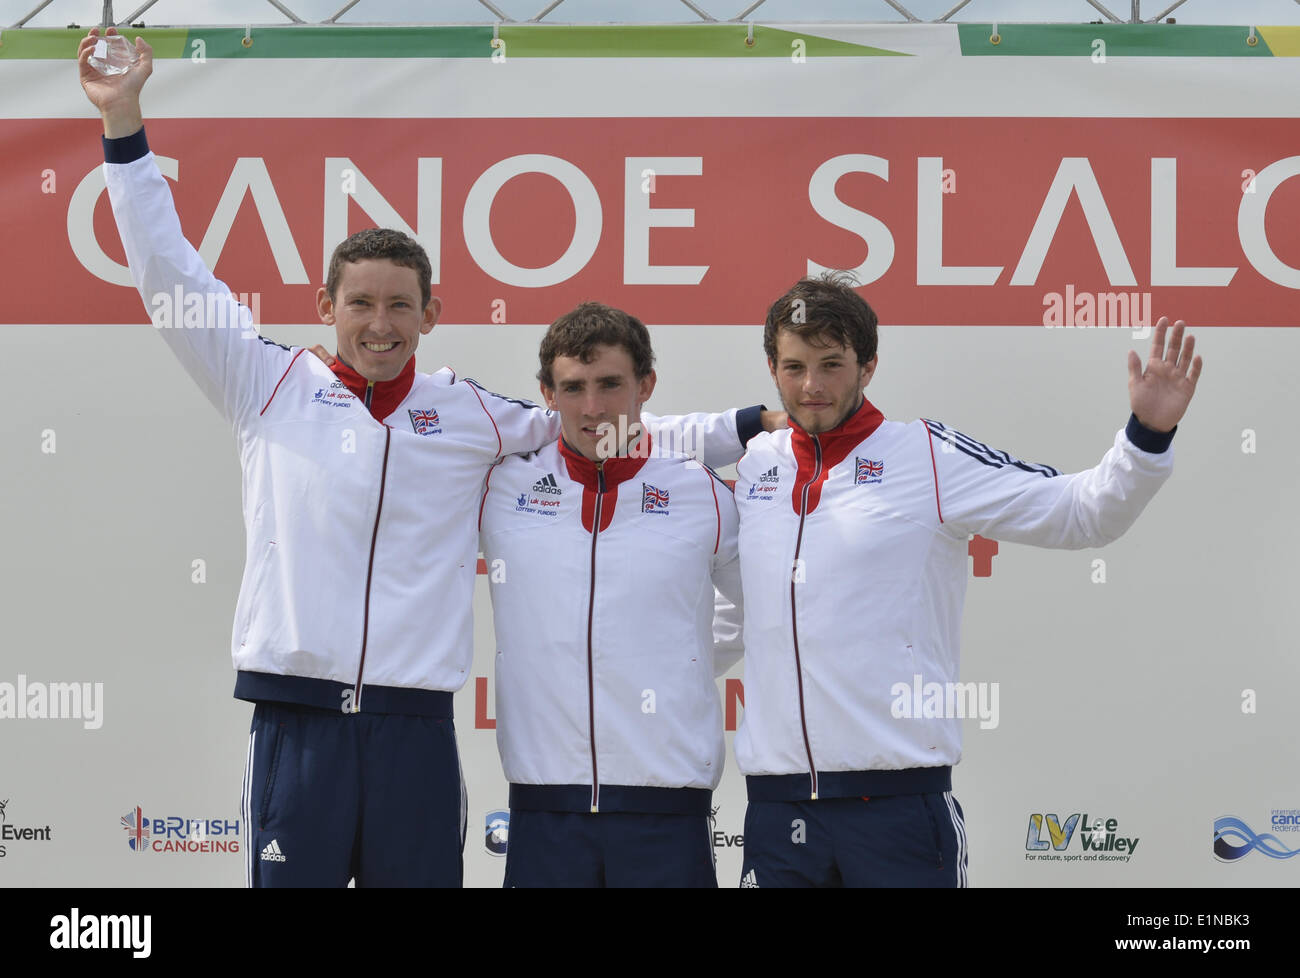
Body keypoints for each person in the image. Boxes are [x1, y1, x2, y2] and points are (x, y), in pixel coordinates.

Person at [79, 28, 767, 887]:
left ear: (431, 313)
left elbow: (603, 428)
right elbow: (167, 275)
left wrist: (743, 424)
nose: (380, 323)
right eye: (360, 302)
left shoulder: (469, 411)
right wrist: (124, 124)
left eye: (400, 305)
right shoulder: (263, 383)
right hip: (298, 727)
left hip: (415, 730)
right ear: (323, 304)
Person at [730, 271, 1202, 887]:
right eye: (794, 367)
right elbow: (733, 608)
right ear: (772, 367)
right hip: (777, 809)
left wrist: (1147, 435)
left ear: (868, 366)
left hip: (898, 807)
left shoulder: (926, 455)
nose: (812, 386)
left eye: (832, 364)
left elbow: (1081, 513)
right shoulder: (754, 468)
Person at [477, 303, 743, 887]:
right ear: (546, 393)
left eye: (610, 385)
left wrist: (678, 661)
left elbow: (761, 608)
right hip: (544, 809)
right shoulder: (499, 485)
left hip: (667, 808)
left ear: (646, 385)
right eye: (573, 387)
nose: (593, 408)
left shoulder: (701, 490)